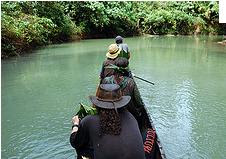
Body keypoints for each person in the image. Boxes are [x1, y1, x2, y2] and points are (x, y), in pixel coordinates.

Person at [70, 84, 145, 159]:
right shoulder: (130, 116)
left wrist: (75, 124)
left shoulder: (89, 121)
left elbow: (74, 142)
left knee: (81, 148)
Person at [102, 57, 151, 132]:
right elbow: (138, 102)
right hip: (128, 112)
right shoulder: (131, 82)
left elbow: (102, 97)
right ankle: (140, 129)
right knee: (142, 112)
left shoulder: (106, 80)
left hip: (110, 110)